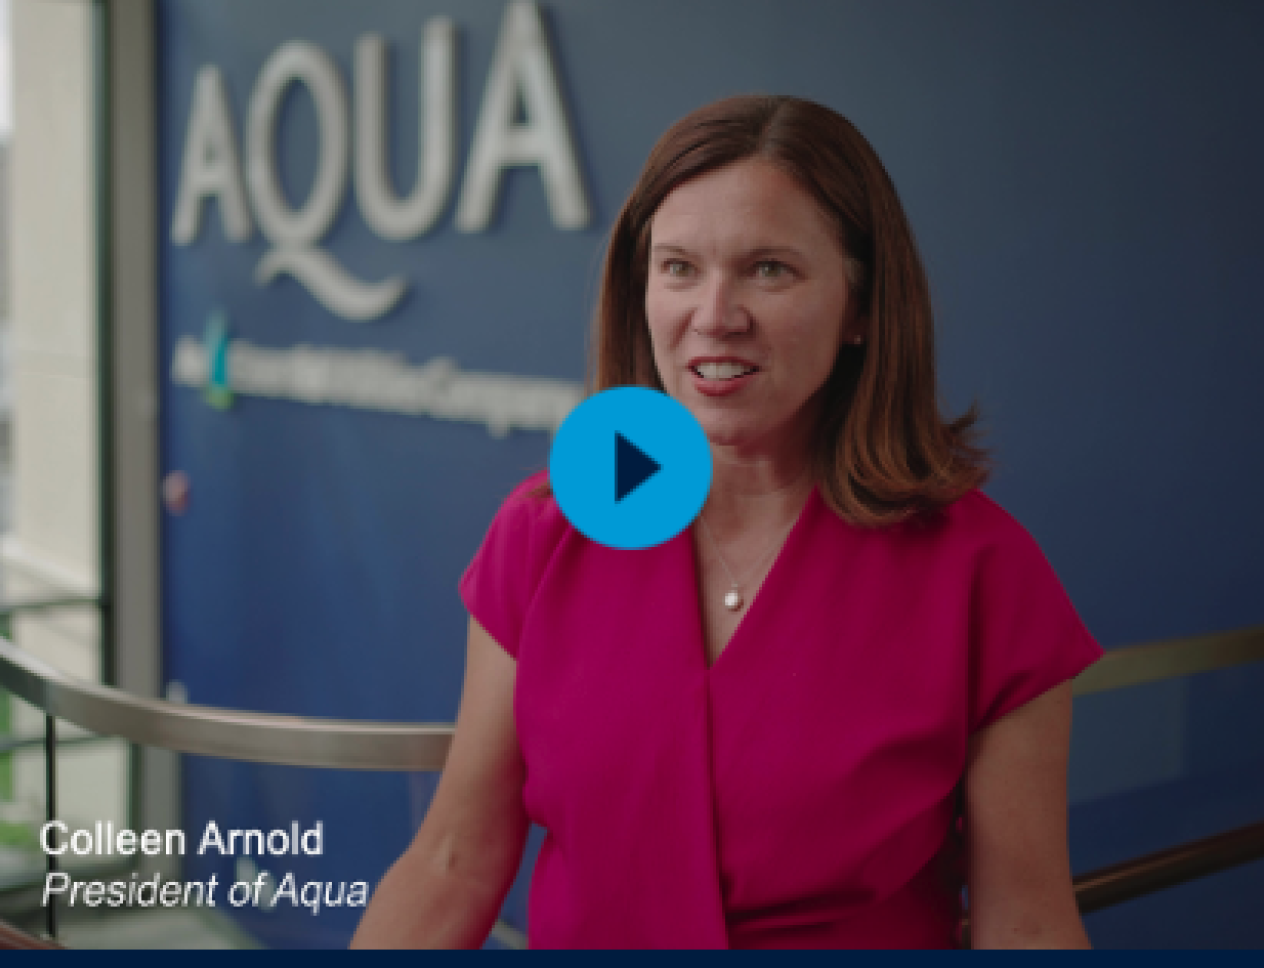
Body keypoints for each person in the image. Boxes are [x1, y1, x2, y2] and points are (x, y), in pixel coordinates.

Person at [351, 95, 1103, 949]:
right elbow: (455, 857)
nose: (714, 315)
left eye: (769, 269)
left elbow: (1027, 920)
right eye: (679, 268)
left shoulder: (983, 572)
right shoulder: (543, 535)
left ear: (862, 306)